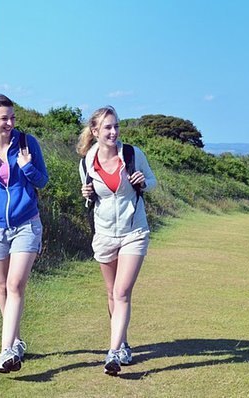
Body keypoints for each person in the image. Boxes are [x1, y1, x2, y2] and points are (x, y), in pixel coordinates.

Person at [0, 94, 49, 373]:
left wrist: (27, 167)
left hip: (26, 223)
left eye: (13, 117)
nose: (11, 123)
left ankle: (5, 352)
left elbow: (43, 180)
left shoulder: (28, 144)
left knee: (15, 285)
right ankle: (15, 342)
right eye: (5, 118)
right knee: (2, 287)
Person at [77, 105, 157, 375]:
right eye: (108, 127)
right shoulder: (87, 161)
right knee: (112, 294)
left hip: (134, 232)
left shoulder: (132, 154)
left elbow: (153, 181)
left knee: (122, 292)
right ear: (95, 131)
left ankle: (112, 354)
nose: (114, 132)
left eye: (116, 126)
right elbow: (91, 197)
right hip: (104, 234)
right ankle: (121, 344)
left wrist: (143, 182)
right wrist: (86, 192)